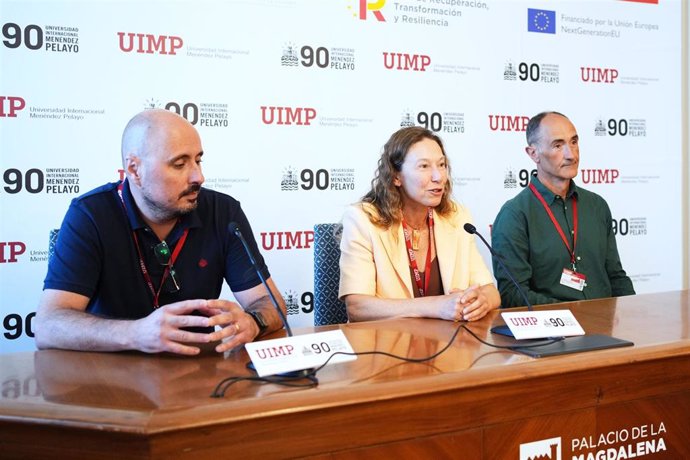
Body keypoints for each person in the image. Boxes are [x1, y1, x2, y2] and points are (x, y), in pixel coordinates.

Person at [35, 109, 286, 355]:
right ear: (134, 170)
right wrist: (137, 333)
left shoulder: (223, 212)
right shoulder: (90, 214)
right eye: (179, 164)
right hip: (110, 377)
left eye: (198, 160)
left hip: (197, 376)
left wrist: (253, 322)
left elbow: (271, 305)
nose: (199, 176)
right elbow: (47, 327)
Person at [338, 126, 500, 322]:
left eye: (442, 165)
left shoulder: (457, 218)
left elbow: (491, 292)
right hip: (386, 345)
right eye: (424, 166)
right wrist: (436, 306)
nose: (438, 177)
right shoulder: (363, 219)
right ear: (396, 176)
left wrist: (481, 301)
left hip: (448, 346)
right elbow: (357, 307)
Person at [491, 111, 635, 308]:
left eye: (574, 142)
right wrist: (574, 315)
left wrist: (634, 315)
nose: (571, 154)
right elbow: (513, 295)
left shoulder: (597, 205)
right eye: (558, 145)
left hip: (606, 329)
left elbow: (616, 277)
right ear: (533, 153)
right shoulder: (515, 215)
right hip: (553, 334)